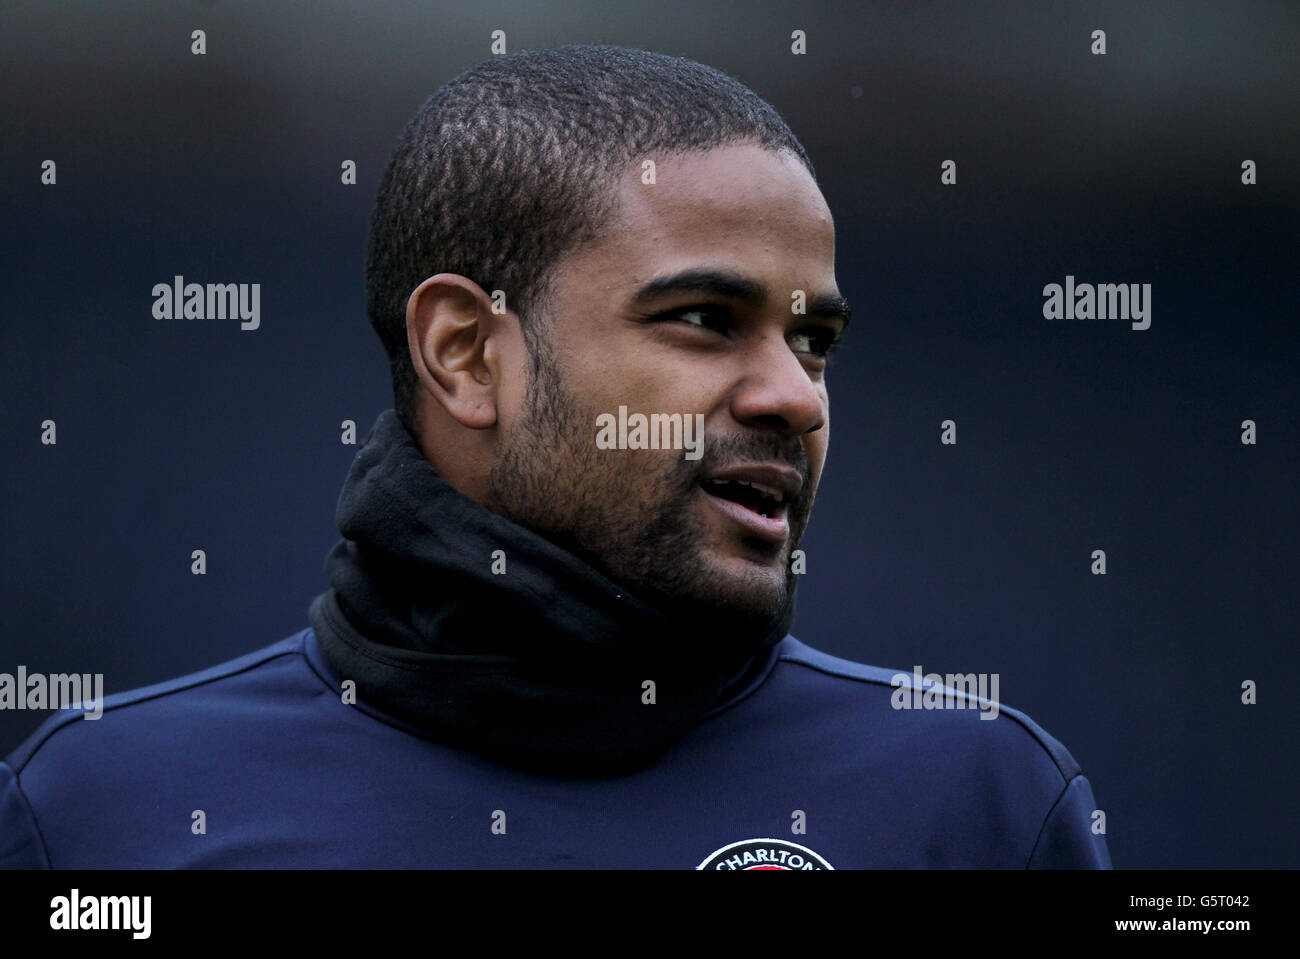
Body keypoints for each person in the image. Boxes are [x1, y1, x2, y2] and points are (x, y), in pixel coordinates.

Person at [0, 44, 1110, 869]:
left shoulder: (983, 803)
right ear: (468, 354)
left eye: (812, 340)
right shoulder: (96, 815)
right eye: (704, 318)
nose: (791, 395)